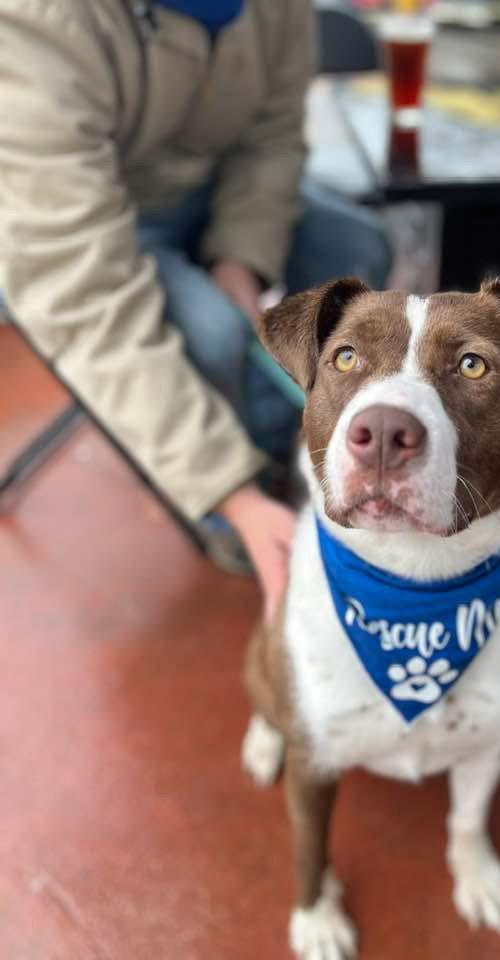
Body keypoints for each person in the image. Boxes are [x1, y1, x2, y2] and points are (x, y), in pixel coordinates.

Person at [0, 0, 392, 620]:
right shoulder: (32, 26)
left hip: (202, 185)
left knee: (354, 247)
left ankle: (317, 455)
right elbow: (85, 294)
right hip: (80, 220)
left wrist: (240, 259)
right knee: (209, 334)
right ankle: (236, 502)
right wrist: (230, 493)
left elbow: (271, 134)